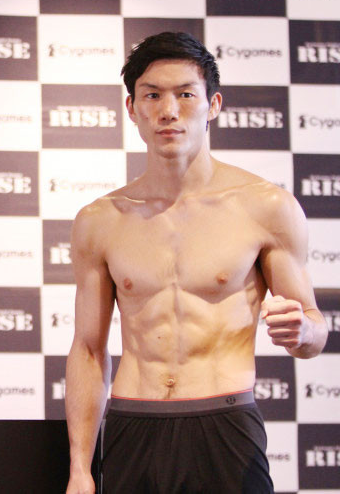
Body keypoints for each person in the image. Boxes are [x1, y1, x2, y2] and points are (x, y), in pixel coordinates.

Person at [65, 32, 328, 494]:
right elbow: (88, 350)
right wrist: (80, 470)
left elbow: (313, 332)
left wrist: (303, 331)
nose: (168, 111)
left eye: (185, 94)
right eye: (152, 95)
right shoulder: (100, 220)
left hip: (224, 425)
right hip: (133, 424)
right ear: (132, 109)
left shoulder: (265, 207)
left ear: (213, 105)